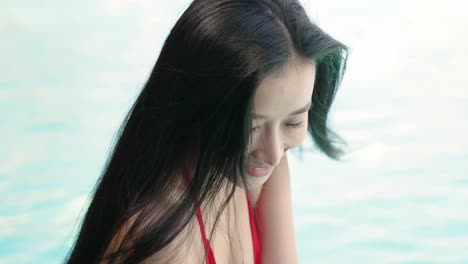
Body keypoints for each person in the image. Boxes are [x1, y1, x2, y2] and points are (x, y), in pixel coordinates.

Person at [64, 0, 348, 263]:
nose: (273, 153)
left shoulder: (259, 165)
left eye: (293, 122)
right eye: (250, 127)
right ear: (197, 105)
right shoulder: (160, 246)